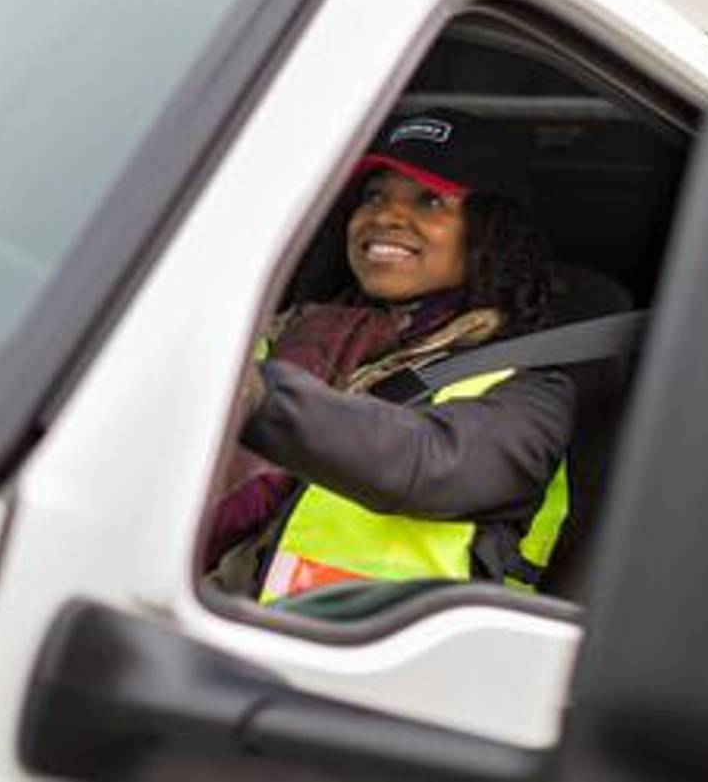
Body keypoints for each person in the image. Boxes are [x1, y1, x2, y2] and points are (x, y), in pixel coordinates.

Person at [202, 108, 575, 602]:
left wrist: (261, 398)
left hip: (385, 667)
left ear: (491, 233)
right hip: (212, 623)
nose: (385, 217)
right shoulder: (287, 332)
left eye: (430, 200)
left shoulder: (531, 393)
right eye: (374, 195)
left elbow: (427, 465)